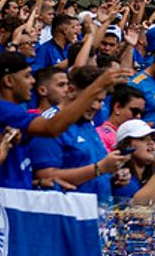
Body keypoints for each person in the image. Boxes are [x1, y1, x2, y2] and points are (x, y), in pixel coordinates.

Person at [0, 51, 129, 189]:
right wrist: (96, 87)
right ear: (9, 81)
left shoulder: (4, 111)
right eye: (27, 76)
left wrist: (37, 183)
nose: (32, 81)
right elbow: (51, 128)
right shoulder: (0, 109)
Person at [30, 64, 130, 201]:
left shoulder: (87, 121)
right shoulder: (50, 124)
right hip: (67, 215)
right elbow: (46, 177)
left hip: (97, 212)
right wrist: (99, 169)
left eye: (100, 101)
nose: (96, 106)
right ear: (71, 91)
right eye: (92, 99)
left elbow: (89, 167)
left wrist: (113, 177)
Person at [98, 84, 147, 151]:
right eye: (135, 111)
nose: (138, 116)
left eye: (141, 113)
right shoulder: (100, 135)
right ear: (117, 108)